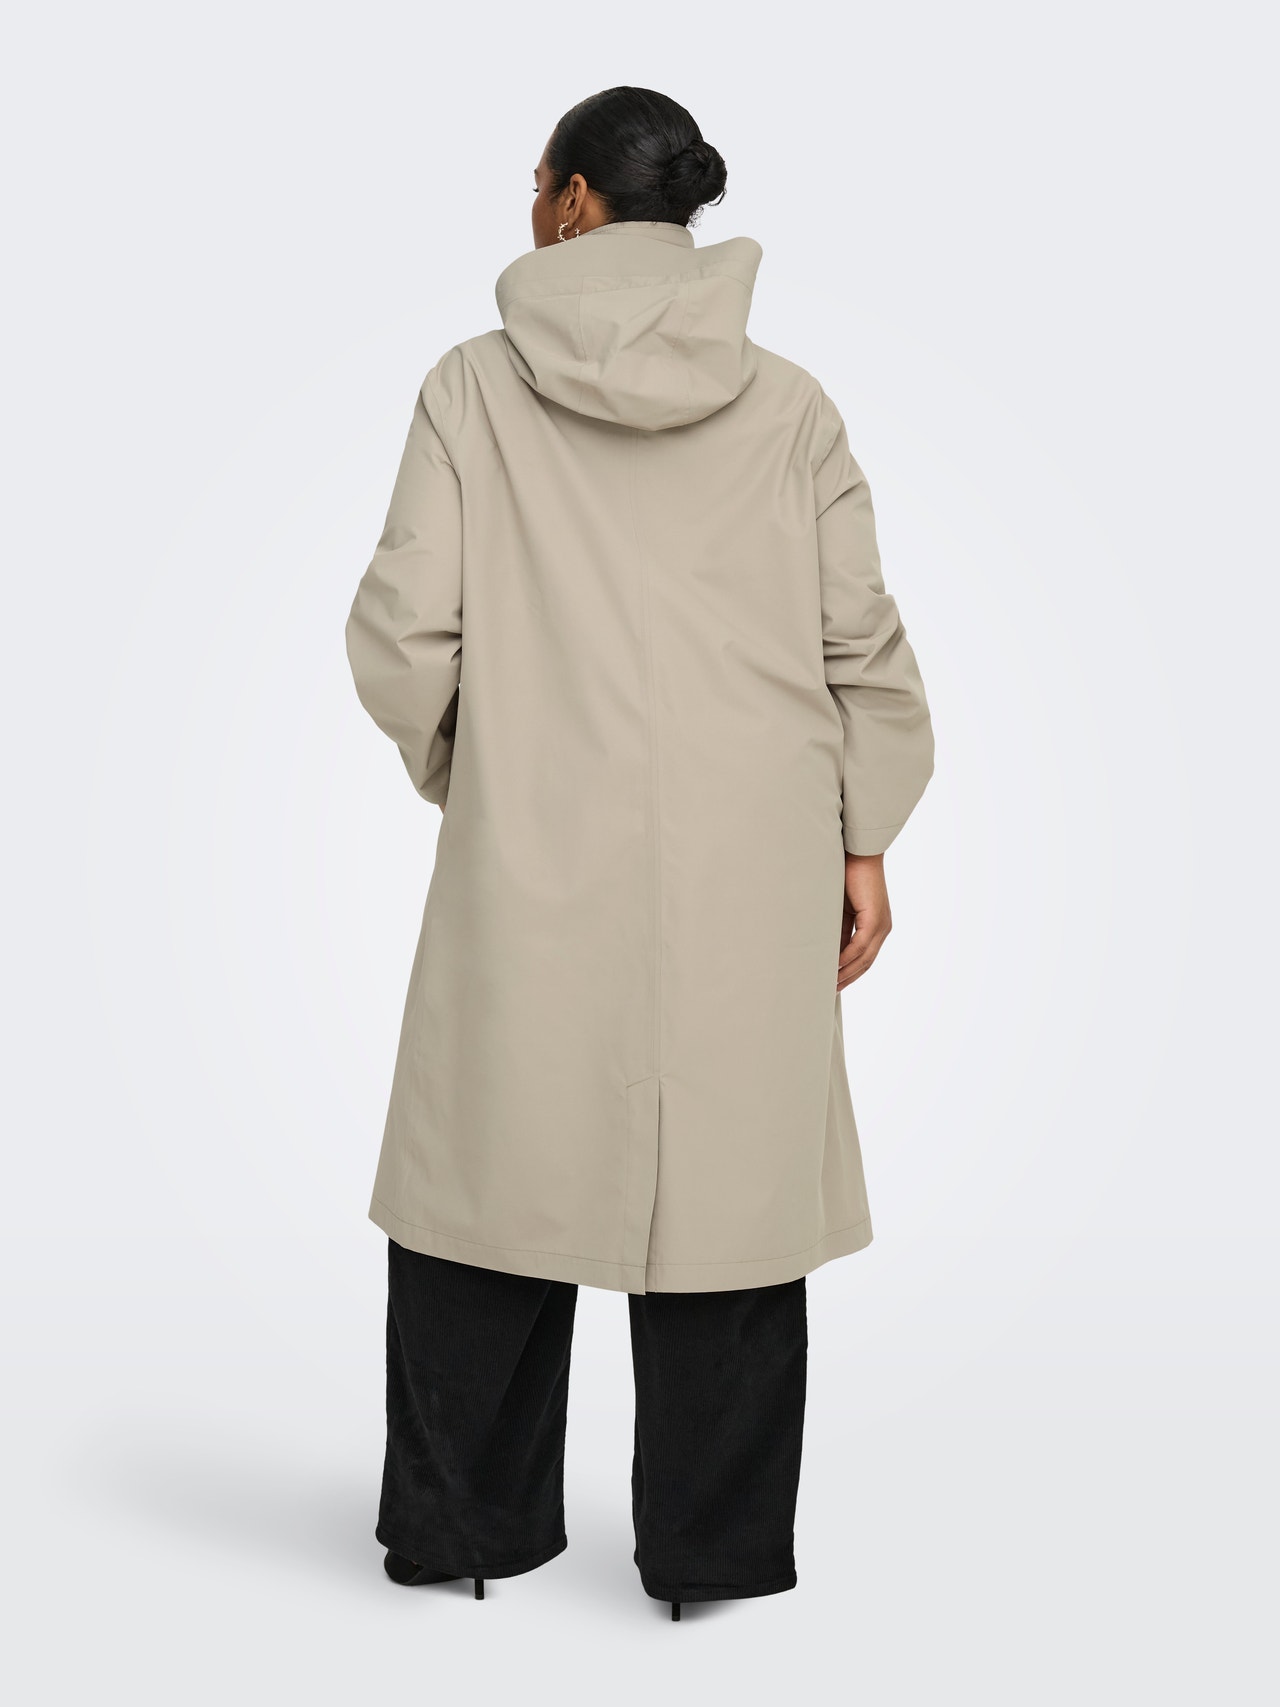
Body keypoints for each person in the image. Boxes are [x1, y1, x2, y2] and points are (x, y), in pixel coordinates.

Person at [344, 85, 934, 1618]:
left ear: (571, 200)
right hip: (760, 848)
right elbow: (860, 641)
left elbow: (404, 634)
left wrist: (476, 771)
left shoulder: (473, 389)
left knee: (489, 1166)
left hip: (531, 844)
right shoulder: (789, 403)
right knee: (734, 1189)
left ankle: (463, 1532)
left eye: (535, 180)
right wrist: (864, 837)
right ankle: (709, 1560)